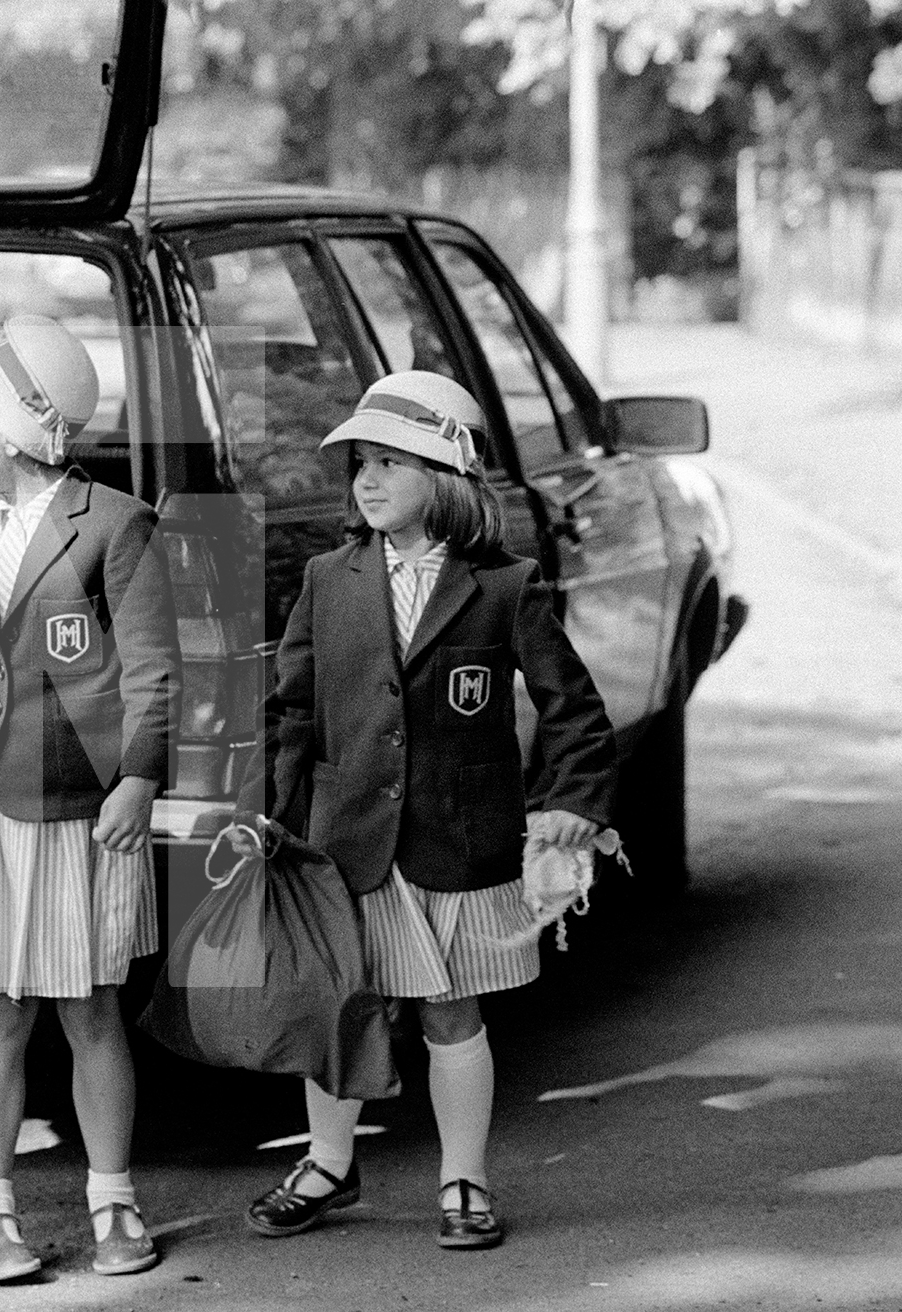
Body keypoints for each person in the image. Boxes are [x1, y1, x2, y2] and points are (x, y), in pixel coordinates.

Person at [235, 370, 617, 1251]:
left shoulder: (503, 586)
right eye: (359, 465)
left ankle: (463, 1180)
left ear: (445, 477)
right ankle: (329, 1164)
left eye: (390, 464)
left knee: (451, 1013)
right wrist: (272, 817)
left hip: (458, 841)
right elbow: (293, 712)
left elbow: (576, 711)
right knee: (339, 1006)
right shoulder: (330, 579)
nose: (367, 481)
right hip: (346, 844)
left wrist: (569, 803)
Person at [0, 315, 179, 1284]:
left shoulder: (114, 523)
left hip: (83, 811)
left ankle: (112, 1199)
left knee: (94, 1009)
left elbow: (150, 670)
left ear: (20, 425)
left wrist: (140, 774)